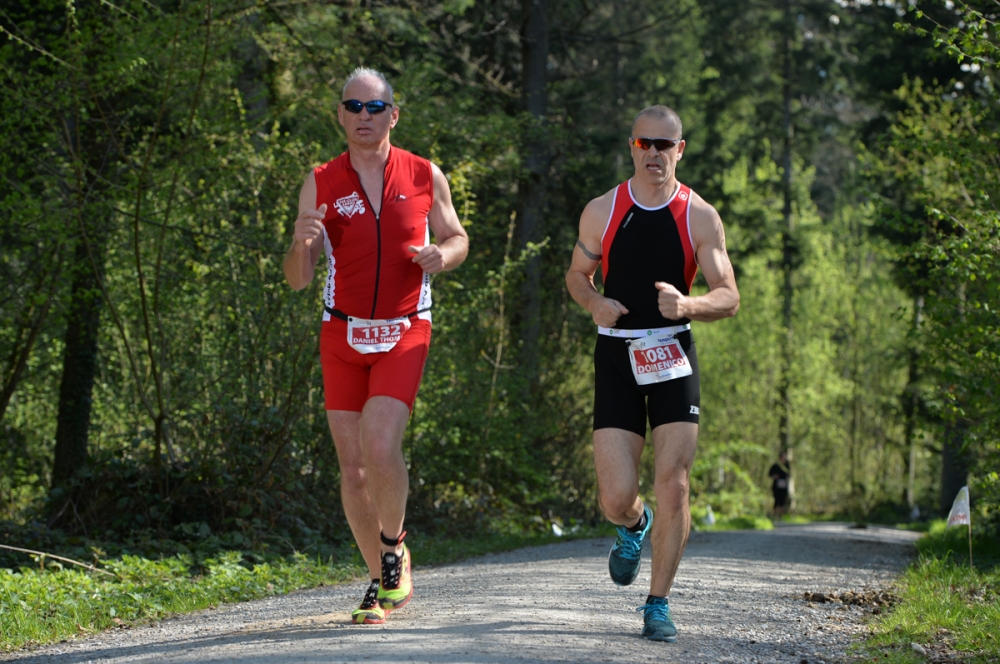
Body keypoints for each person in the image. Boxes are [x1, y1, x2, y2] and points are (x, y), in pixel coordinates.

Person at [282, 67, 469, 625]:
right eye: (353, 107)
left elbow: (457, 236)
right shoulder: (319, 181)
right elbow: (297, 278)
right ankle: (379, 578)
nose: (364, 117)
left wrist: (445, 255)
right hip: (341, 332)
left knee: (381, 443)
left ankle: (393, 547)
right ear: (339, 114)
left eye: (375, 107)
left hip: (405, 327)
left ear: (394, 114)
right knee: (353, 468)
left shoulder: (424, 173)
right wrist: (299, 244)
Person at [565, 105, 739, 642]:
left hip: (672, 356)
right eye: (646, 144)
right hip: (617, 354)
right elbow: (577, 274)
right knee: (615, 496)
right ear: (633, 146)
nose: (655, 154)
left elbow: (729, 297)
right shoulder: (603, 209)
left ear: (680, 150)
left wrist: (688, 306)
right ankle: (633, 525)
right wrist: (593, 302)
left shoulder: (700, 216)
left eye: (666, 145)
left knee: (675, 483)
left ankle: (658, 604)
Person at [769, 451, 791, 521]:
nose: (783, 458)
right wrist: (774, 476)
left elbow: (790, 475)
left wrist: (788, 477)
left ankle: (780, 517)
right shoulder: (775, 466)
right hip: (776, 486)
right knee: (776, 501)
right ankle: (775, 516)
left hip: (784, 487)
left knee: (782, 502)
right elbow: (769, 474)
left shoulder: (787, 466)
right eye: (782, 457)